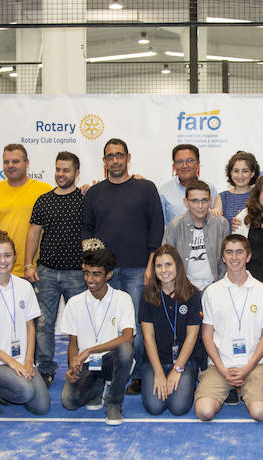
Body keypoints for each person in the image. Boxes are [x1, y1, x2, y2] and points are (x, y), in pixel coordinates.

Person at [83, 138, 164, 395]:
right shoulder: (94, 193)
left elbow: (156, 228)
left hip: (138, 269)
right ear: (104, 161)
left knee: (138, 325)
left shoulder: (146, 188)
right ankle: (108, 371)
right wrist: (92, 260)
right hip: (105, 273)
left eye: (119, 155)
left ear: (128, 158)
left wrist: (151, 266)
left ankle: (138, 374)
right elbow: (86, 229)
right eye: (110, 156)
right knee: (106, 323)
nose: (115, 160)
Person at [195, 235, 263, 422]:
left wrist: (248, 368)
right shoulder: (212, 292)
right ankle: (226, 387)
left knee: (260, 413)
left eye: (239, 252)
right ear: (223, 257)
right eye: (229, 252)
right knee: (204, 412)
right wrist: (223, 369)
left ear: (248, 256)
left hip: (254, 364)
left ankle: (249, 390)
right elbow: (207, 336)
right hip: (220, 365)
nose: (234, 257)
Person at [24, 151, 87, 387]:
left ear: (77, 173)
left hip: (77, 274)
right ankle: (46, 369)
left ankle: (79, 366)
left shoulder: (84, 201)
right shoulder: (43, 200)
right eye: (58, 169)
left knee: (79, 324)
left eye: (66, 170)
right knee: (43, 324)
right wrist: (28, 264)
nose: (61, 174)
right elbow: (33, 232)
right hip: (46, 272)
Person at [0, 230, 49, 417]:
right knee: (25, 391)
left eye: (7, 255)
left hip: (21, 360)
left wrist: (28, 361)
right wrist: (13, 364)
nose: (2, 261)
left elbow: (30, 326)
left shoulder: (24, 287)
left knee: (41, 407)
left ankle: (10, 389)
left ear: (14, 257)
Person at [59, 242, 135, 425]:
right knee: (69, 402)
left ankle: (114, 403)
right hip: (87, 364)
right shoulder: (75, 303)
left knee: (125, 350)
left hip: (110, 361)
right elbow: (73, 343)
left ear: (109, 275)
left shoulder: (122, 299)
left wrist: (90, 350)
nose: (90, 279)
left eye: (96, 274)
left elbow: (127, 337)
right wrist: (72, 366)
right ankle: (96, 387)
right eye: (86, 273)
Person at [139, 245, 203, 416]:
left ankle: (189, 379)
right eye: (159, 266)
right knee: (155, 407)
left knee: (178, 407)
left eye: (168, 264)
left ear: (177, 266)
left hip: (183, 361)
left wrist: (177, 370)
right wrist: (159, 372)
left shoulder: (193, 295)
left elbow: (192, 335)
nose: (164, 270)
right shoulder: (147, 296)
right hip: (155, 361)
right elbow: (148, 337)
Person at [0, 143, 53, 277]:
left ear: (27, 163)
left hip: (34, 269)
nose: (10, 165)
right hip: (1, 267)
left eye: (15, 161)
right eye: (6, 162)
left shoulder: (45, 190)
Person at [161, 180, 229, 291]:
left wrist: (221, 286)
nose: (200, 206)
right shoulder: (175, 226)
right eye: (194, 201)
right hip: (183, 288)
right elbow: (165, 260)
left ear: (211, 200)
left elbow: (225, 260)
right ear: (186, 202)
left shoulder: (221, 224)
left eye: (204, 200)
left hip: (214, 287)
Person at [159, 144, 218, 226]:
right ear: (174, 165)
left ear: (198, 163)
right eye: (180, 162)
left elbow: (216, 220)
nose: (185, 165)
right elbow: (161, 225)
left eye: (190, 160)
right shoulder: (164, 191)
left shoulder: (210, 188)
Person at [213, 151, 260, 231]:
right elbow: (215, 229)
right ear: (230, 173)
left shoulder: (259, 195)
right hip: (228, 242)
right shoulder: (222, 197)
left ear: (252, 173)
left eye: (245, 171)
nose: (240, 176)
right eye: (236, 171)